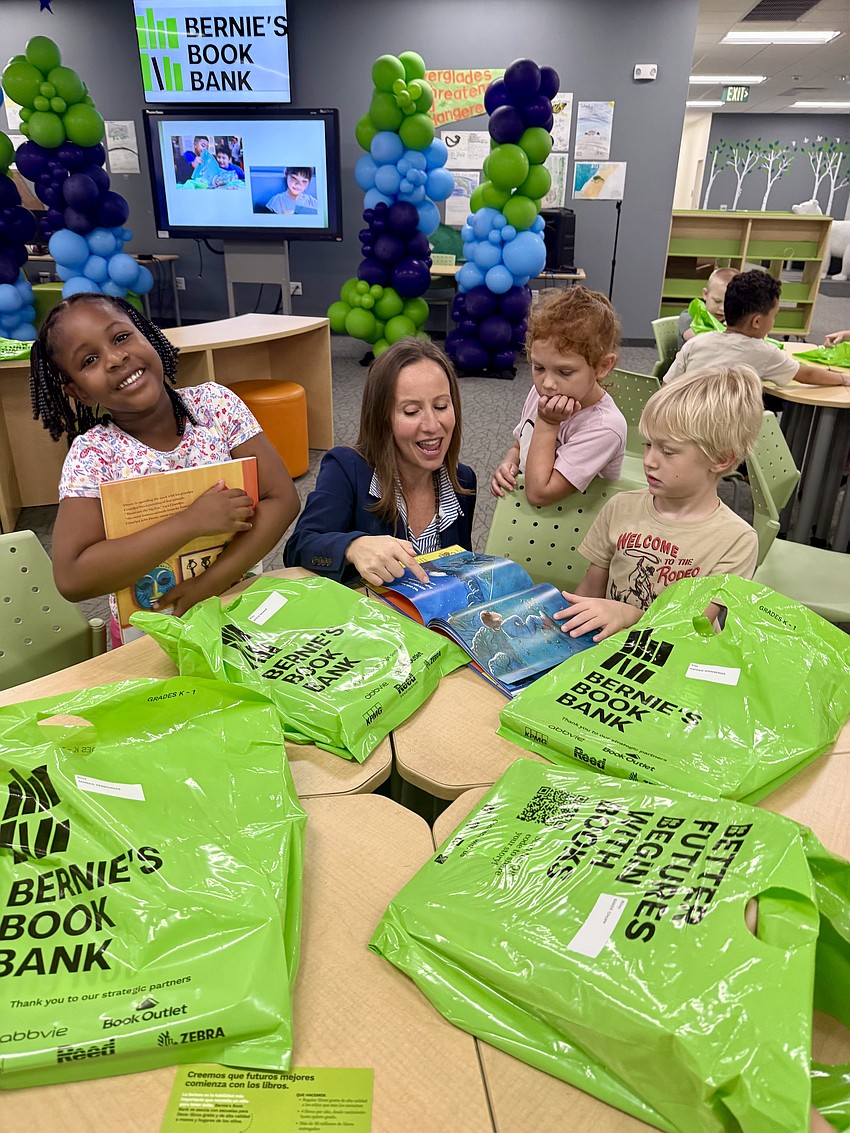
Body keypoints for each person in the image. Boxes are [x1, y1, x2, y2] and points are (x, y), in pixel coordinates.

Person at [29, 294, 300, 646]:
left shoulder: (215, 406)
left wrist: (209, 584)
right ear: (78, 391)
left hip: (238, 605)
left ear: (147, 334)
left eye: (121, 337)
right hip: (150, 633)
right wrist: (191, 522)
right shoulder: (93, 455)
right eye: (90, 360)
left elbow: (283, 500)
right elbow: (72, 576)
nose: (115, 359)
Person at [554, 365, 763, 643]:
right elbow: (590, 588)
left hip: (675, 660)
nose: (649, 461)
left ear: (721, 459)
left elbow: (693, 625)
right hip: (606, 648)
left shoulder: (736, 541)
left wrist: (628, 615)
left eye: (667, 451)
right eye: (648, 445)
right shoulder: (621, 507)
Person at [284, 338, 476, 587]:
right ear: (382, 417)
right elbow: (298, 548)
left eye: (441, 406)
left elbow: (461, 573)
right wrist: (353, 546)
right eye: (411, 411)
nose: (432, 425)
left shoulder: (463, 480)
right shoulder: (346, 468)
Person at [490, 287, 627, 507]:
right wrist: (509, 462)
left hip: (570, 529)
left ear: (603, 366)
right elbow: (520, 445)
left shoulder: (605, 427)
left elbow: (539, 494)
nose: (548, 383)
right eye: (538, 367)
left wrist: (548, 422)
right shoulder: (541, 393)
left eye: (565, 372)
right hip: (531, 521)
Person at [664, 269, 848, 389]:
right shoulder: (764, 352)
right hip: (725, 438)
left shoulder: (697, 342)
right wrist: (842, 379)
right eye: (774, 315)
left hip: (682, 427)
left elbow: (666, 385)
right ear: (757, 322)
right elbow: (806, 374)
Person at [677, 266, 739, 348]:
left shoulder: (734, 320)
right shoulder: (689, 317)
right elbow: (700, 342)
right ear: (706, 294)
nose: (722, 309)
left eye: (729, 304)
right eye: (717, 301)